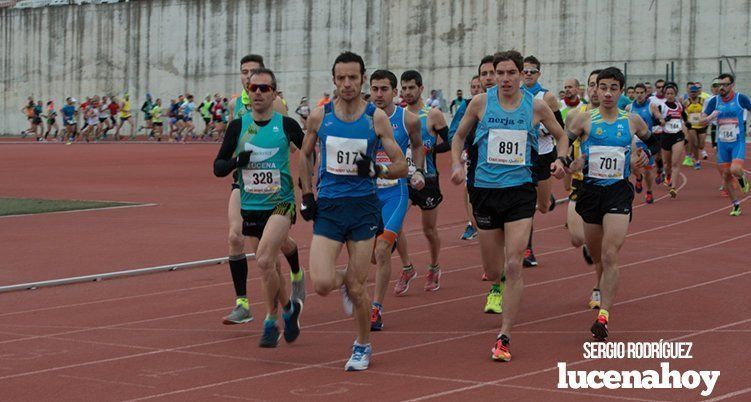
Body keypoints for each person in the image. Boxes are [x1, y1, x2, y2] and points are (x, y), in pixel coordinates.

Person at [450, 50, 569, 361]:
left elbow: (562, 136)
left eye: (510, 74)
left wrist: (560, 159)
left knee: (514, 263)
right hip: (486, 192)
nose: (504, 79)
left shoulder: (537, 105)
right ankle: (498, 284)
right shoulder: (480, 102)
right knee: (493, 271)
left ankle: (504, 335)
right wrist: (456, 165)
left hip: (520, 192)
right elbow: (458, 137)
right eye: (499, 73)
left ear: (521, 75)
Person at [298, 51, 407, 371]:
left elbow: (401, 164)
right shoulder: (321, 117)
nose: (347, 83)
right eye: (341, 78)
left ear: (361, 80)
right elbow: (304, 156)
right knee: (319, 283)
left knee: (360, 289)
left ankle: (362, 345)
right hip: (330, 207)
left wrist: (378, 170)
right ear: (334, 80)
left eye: (353, 78)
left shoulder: (376, 118)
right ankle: (345, 280)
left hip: (362, 208)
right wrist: (306, 194)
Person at [214, 68, 306, 347]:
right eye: (253, 88)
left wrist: (309, 188)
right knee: (269, 268)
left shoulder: (287, 125)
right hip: (250, 205)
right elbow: (218, 167)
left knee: (265, 260)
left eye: (264, 88)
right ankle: (289, 308)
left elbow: (310, 150)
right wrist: (235, 163)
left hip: (280, 203)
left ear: (274, 93)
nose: (257, 93)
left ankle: (270, 320)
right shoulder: (238, 126)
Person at [566, 66, 658, 341]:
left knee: (610, 255)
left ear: (621, 91)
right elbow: (564, 146)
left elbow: (654, 144)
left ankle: (603, 316)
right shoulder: (584, 120)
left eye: (613, 88)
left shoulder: (632, 121)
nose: (606, 93)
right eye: (602, 87)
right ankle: (598, 282)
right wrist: (568, 163)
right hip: (590, 192)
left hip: (618, 192)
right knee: (597, 255)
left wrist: (642, 156)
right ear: (596, 89)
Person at [368, 69, 425, 331]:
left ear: (394, 92)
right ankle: (408, 267)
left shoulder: (409, 119)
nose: (378, 94)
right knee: (368, 256)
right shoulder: (361, 117)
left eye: (384, 89)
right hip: (366, 195)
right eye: (375, 89)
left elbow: (417, 145)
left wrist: (416, 170)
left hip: (395, 192)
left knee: (381, 251)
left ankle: (376, 309)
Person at [393, 70, 449, 293]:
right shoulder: (399, 116)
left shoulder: (433, 115)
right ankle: (407, 268)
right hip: (403, 178)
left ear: (421, 89)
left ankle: (434, 267)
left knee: (429, 230)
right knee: (394, 225)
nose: (407, 92)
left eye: (411, 88)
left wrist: (430, 148)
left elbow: (451, 141)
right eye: (404, 88)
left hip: (427, 179)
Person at [520, 55, 563, 268]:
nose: (528, 74)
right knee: (526, 205)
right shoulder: (514, 95)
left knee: (543, 207)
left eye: (532, 71)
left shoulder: (547, 97)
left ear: (539, 74)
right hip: (522, 156)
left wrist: (542, 128)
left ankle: (549, 198)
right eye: (525, 71)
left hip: (544, 155)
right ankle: (527, 249)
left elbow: (560, 128)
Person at [700, 73, 751, 216]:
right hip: (722, 144)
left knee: (735, 169)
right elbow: (702, 121)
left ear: (732, 85)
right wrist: (711, 117)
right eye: (719, 85)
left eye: (725, 85)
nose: (721, 87)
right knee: (726, 176)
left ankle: (742, 178)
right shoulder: (714, 102)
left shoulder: (741, 98)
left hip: (737, 142)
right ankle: (735, 205)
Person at [626, 83, 663, 204]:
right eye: (637, 92)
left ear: (646, 93)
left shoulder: (651, 106)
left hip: (647, 143)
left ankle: (649, 191)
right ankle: (638, 177)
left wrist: (661, 119)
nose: (639, 95)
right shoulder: (628, 108)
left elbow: (658, 115)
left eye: (642, 93)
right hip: (634, 144)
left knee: (648, 170)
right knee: (633, 166)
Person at [658, 82, 688, 198]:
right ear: (665, 94)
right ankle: (668, 175)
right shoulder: (661, 107)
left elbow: (685, 118)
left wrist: (687, 125)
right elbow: (657, 122)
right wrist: (665, 119)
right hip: (666, 136)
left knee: (675, 162)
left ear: (675, 94)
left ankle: (673, 188)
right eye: (668, 93)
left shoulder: (680, 106)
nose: (670, 95)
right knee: (667, 164)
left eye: (672, 93)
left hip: (678, 136)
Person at [683, 84, 708, 168]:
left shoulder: (703, 101)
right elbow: (682, 113)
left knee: (701, 145)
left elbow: (707, 111)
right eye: (691, 92)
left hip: (701, 126)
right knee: (695, 143)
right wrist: (685, 122)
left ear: (698, 92)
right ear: (689, 93)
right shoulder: (686, 102)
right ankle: (697, 161)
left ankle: (695, 156)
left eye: (694, 92)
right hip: (692, 126)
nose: (693, 94)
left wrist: (706, 120)